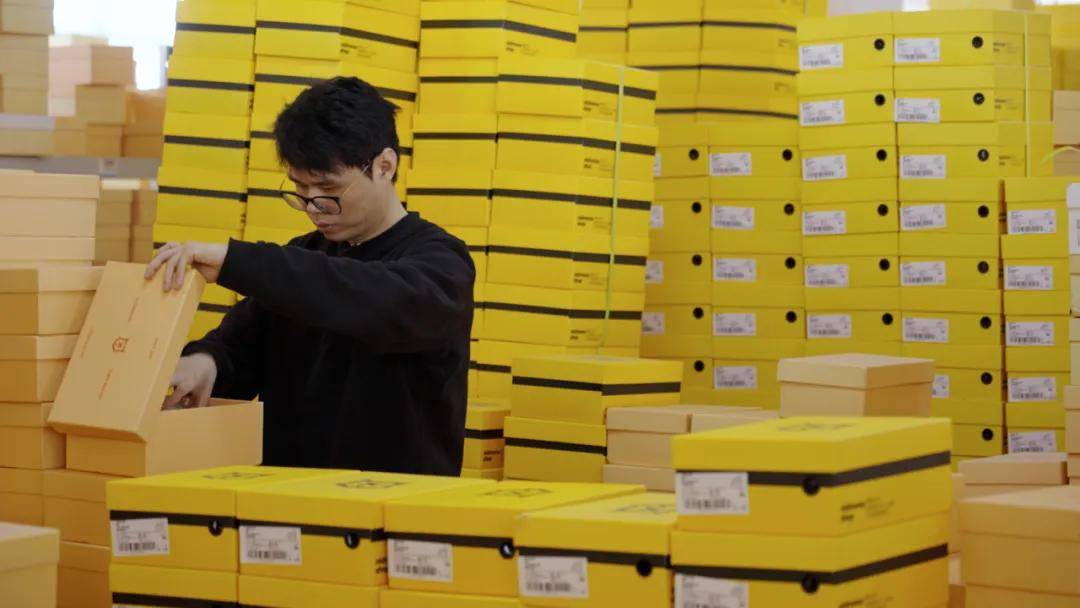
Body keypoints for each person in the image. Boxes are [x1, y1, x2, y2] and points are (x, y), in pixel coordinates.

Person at [145, 77, 475, 475]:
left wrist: (239, 261)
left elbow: (365, 298)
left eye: (328, 189)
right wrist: (207, 361)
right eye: (301, 190)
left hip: (393, 502)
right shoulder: (302, 257)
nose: (314, 208)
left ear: (384, 166)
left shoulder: (442, 265)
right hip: (289, 499)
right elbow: (241, 344)